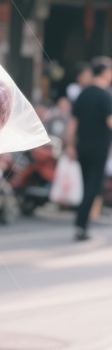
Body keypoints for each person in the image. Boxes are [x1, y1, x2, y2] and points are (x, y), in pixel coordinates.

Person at [66, 56, 112, 241]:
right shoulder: (105, 96)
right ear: (105, 72)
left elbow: (72, 123)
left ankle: (80, 224)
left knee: (86, 185)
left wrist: (69, 146)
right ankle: (81, 226)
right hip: (98, 147)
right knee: (93, 187)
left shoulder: (82, 94)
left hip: (81, 147)